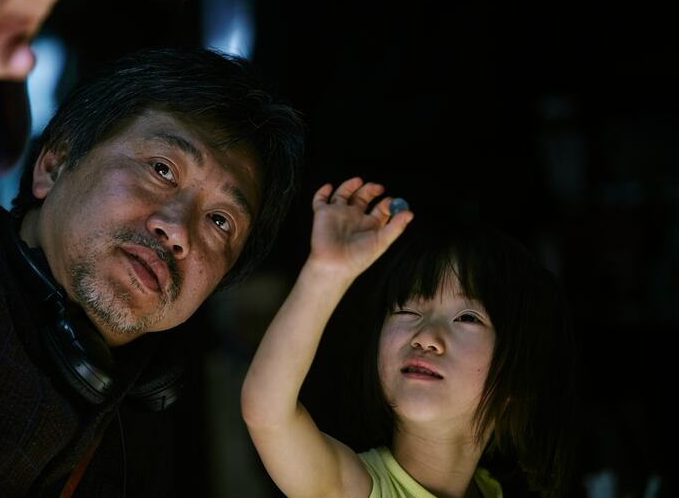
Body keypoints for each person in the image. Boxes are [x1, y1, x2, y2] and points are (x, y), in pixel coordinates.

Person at [0, 0, 304, 495]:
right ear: (53, 165)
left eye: (221, 222)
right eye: (162, 169)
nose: (177, 230)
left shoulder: (137, 422)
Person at [241, 178, 578, 497]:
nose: (425, 336)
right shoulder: (350, 487)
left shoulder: (490, 490)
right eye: (407, 311)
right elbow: (268, 412)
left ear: (518, 380)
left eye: (467, 317)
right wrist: (325, 272)